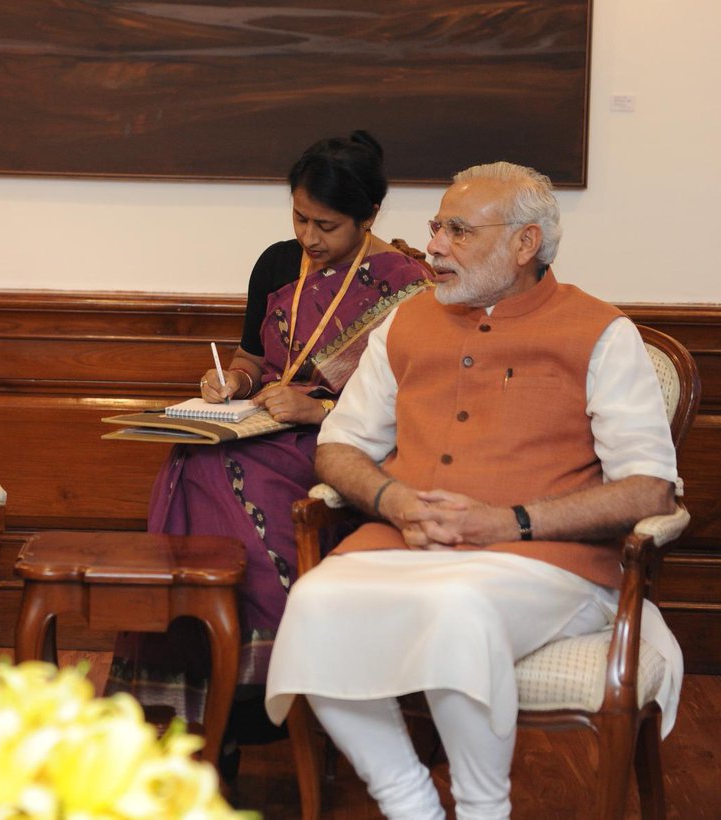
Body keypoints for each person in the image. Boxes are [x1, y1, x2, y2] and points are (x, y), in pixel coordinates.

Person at [265, 161, 683, 819]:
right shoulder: (404, 325)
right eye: (437, 226)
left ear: (524, 245)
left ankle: (484, 808)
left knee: (458, 605)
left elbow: (649, 489)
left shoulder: (603, 333)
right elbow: (338, 447)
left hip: (544, 565)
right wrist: (394, 501)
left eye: (458, 231)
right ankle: (411, 803)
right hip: (404, 544)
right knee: (314, 603)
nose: (433, 246)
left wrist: (510, 523)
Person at [106, 131, 432, 763]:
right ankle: (206, 682)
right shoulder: (278, 263)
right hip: (260, 423)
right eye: (299, 217)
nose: (309, 238)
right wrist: (234, 381)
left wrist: (317, 407)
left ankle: (259, 686)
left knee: (226, 465)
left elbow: (409, 407)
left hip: (345, 438)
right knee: (192, 455)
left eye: (327, 225)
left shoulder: (405, 286)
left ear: (369, 218)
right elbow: (252, 355)